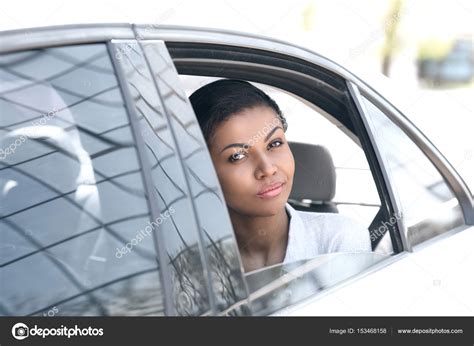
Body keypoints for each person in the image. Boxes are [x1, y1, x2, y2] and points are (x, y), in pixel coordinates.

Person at [190, 79, 371, 273]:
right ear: (202, 172)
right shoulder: (189, 267)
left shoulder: (339, 241)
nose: (267, 169)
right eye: (238, 156)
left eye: (274, 144)